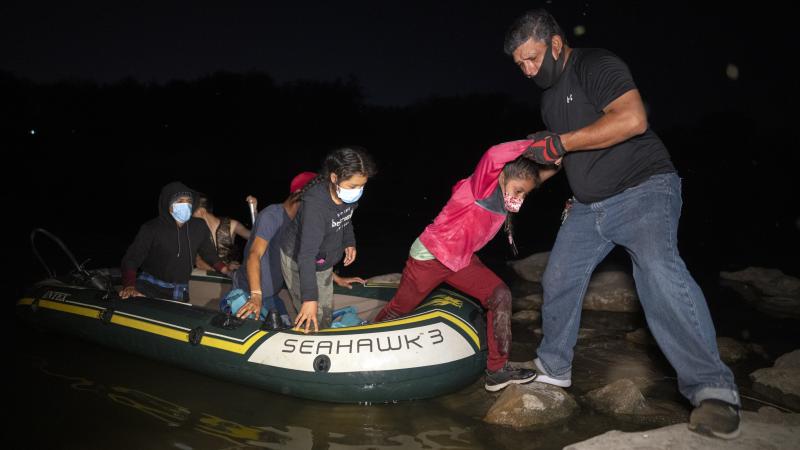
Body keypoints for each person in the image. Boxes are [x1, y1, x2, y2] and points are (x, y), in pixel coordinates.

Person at [503, 9, 740, 438]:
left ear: (555, 45)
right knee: (557, 278)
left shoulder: (596, 64)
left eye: (532, 58)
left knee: (657, 270)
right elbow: (560, 157)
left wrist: (559, 141)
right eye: (519, 64)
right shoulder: (549, 99)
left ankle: (715, 391)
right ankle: (553, 369)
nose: (527, 70)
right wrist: (524, 185)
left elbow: (633, 120)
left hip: (644, 189)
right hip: (589, 207)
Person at [373, 141, 558, 392]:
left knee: (500, 295)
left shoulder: (511, 191)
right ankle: (369, 343)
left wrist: (558, 156)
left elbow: (534, 178)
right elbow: (494, 154)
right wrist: (534, 145)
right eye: (518, 191)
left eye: (524, 194)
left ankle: (497, 370)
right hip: (431, 257)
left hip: (461, 260)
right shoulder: (481, 186)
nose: (519, 198)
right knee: (400, 309)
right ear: (503, 176)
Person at [232, 172, 366, 327]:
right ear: (299, 195)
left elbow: (311, 257)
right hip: (249, 293)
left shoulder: (307, 223)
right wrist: (255, 295)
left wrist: (336, 278)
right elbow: (254, 254)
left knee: (291, 326)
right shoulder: (272, 215)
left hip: (272, 296)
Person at [279, 147, 376, 333]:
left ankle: (323, 326)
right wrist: (309, 300)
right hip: (298, 259)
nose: (358, 191)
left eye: (362, 186)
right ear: (334, 178)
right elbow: (306, 255)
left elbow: (346, 218)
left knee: (324, 306)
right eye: (353, 187)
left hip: (323, 259)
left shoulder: (347, 195)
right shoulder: (315, 207)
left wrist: (349, 242)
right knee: (309, 310)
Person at [120, 181, 234, 301]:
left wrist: (226, 270)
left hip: (180, 290)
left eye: (189, 201)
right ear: (169, 206)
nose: (185, 205)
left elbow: (209, 254)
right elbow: (132, 259)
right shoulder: (151, 228)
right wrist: (129, 285)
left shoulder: (199, 226)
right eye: (180, 201)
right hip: (149, 287)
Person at [193, 194, 254, 269]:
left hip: (228, 279)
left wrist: (254, 210)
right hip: (205, 278)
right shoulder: (194, 231)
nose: (188, 216)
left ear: (201, 211)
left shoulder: (231, 225)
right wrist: (225, 268)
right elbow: (198, 262)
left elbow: (258, 237)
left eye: (191, 211)